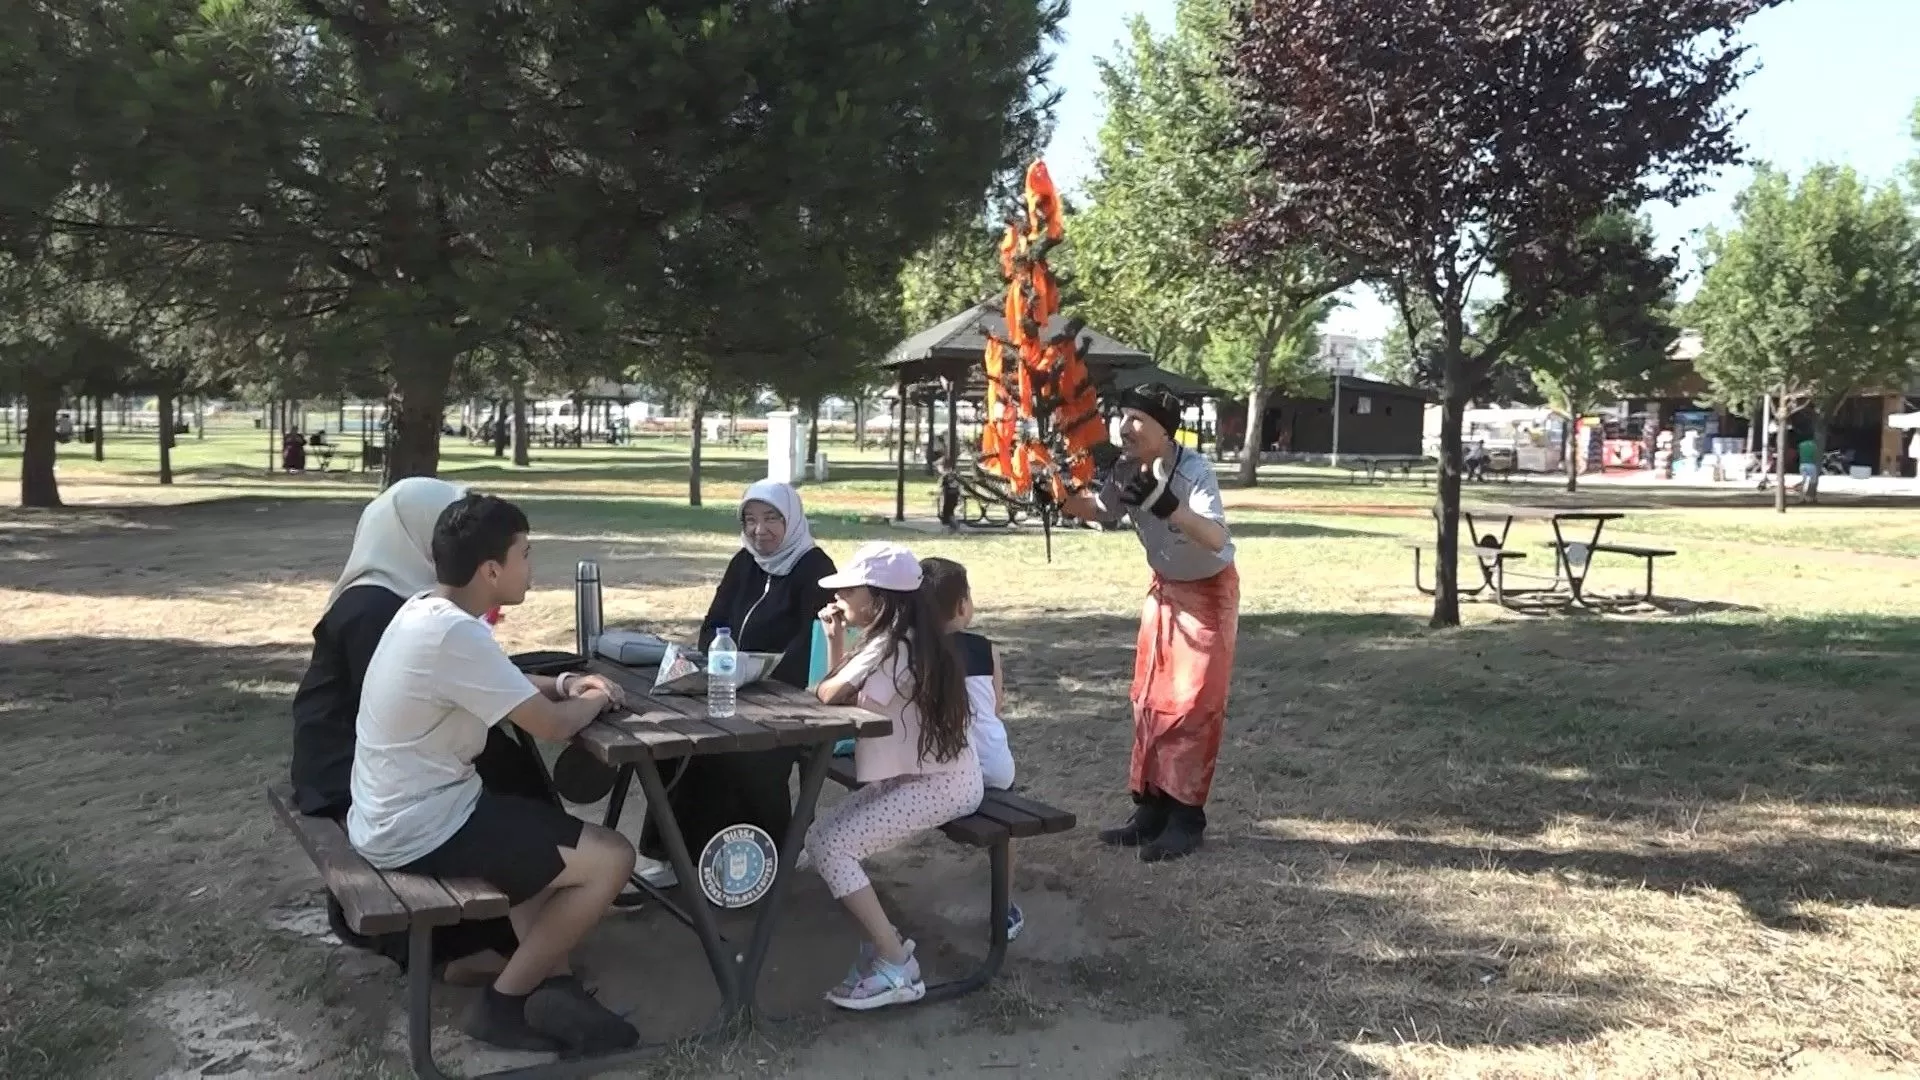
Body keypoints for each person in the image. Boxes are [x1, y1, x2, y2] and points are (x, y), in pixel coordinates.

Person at [349, 493, 640, 1054]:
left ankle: (551, 986)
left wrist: (565, 683)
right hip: (419, 826)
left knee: (539, 840)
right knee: (612, 857)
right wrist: (597, 697)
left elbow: (496, 679)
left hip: (399, 811)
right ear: (490, 570)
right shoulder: (454, 634)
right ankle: (503, 1006)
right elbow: (552, 727)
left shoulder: (425, 610)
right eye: (524, 554)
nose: (531, 567)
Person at [290, 477, 556, 980]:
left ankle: (519, 922)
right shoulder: (374, 607)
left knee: (509, 770)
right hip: (346, 775)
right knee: (507, 781)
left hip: (375, 764)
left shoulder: (396, 595)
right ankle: (459, 947)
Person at [1061, 384, 1237, 863]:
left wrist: (1169, 505)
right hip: (1164, 591)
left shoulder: (1194, 470)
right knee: (1149, 701)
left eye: (1138, 419)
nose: (1125, 427)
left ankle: (1186, 818)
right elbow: (1104, 511)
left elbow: (1217, 537)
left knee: (1192, 706)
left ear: (1165, 430)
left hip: (1207, 594)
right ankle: (1151, 811)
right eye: (1122, 416)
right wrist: (1060, 497)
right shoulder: (1124, 468)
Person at [633, 481, 837, 888]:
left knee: (739, 754)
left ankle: (761, 854)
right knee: (675, 744)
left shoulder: (815, 569)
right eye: (750, 520)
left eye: (771, 519)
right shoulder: (744, 562)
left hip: (788, 699)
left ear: (792, 519)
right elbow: (714, 624)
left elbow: (812, 645)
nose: (759, 530)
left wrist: (759, 675)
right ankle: (676, 856)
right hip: (730, 686)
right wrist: (720, 661)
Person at [805, 542, 982, 1010]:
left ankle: (896, 962)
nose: (839, 596)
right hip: (919, 777)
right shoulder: (896, 638)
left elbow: (829, 694)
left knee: (834, 846)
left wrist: (836, 662)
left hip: (940, 784)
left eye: (850, 589)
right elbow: (835, 693)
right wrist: (836, 640)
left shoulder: (896, 647)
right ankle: (885, 942)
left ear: (880, 598)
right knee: (820, 837)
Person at [919, 556, 1024, 940]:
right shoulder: (984, 648)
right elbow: (995, 707)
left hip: (939, 772)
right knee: (1007, 831)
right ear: (963, 606)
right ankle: (1004, 905)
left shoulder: (915, 652)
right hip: (994, 768)